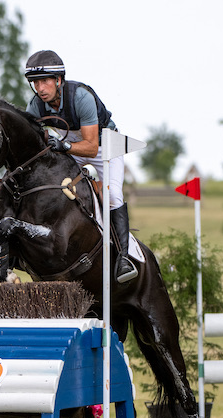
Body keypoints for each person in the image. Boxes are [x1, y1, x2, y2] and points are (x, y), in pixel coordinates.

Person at [23, 50, 137, 283]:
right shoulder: (35, 105)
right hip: (71, 146)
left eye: (45, 81)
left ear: (58, 80)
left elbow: (91, 148)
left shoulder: (81, 97)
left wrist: (63, 147)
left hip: (105, 146)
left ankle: (124, 258)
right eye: (36, 82)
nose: (40, 88)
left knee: (113, 194)